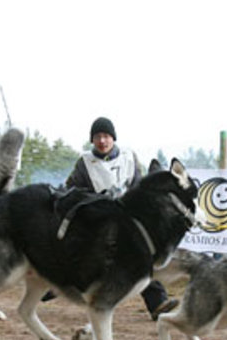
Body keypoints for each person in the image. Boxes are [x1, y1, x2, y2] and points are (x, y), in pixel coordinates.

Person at [63, 116, 179, 320]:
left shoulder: (128, 157)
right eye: (98, 137)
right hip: (99, 220)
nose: (102, 141)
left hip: (127, 219)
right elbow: (71, 190)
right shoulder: (85, 163)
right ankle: (56, 285)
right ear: (92, 140)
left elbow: (139, 186)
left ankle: (158, 303)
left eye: (106, 136)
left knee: (140, 258)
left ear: (113, 138)